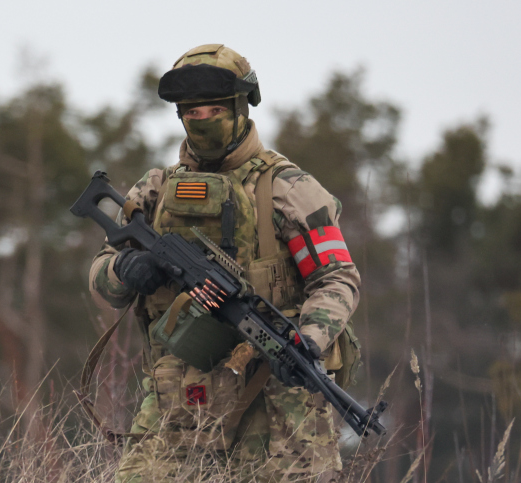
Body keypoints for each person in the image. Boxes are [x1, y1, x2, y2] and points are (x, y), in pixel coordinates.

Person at [87, 44, 361, 482]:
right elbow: (103, 275)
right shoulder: (154, 190)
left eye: (214, 109)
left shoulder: (289, 189)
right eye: (192, 112)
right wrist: (125, 270)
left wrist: (310, 337)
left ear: (239, 108)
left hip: (275, 403)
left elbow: (337, 278)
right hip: (178, 399)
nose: (202, 120)